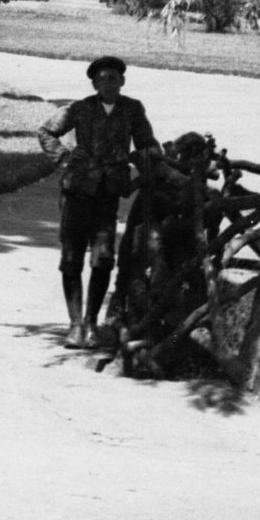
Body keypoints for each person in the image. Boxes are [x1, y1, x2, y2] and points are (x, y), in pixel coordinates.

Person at [37, 54, 157, 348]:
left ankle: (91, 323)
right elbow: (45, 132)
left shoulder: (132, 109)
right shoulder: (79, 109)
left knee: (102, 258)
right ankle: (75, 324)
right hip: (77, 192)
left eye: (113, 78)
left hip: (108, 195)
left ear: (122, 82)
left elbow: (147, 144)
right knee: (71, 258)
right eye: (101, 79)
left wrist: (145, 161)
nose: (108, 84)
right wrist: (65, 155)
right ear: (93, 84)